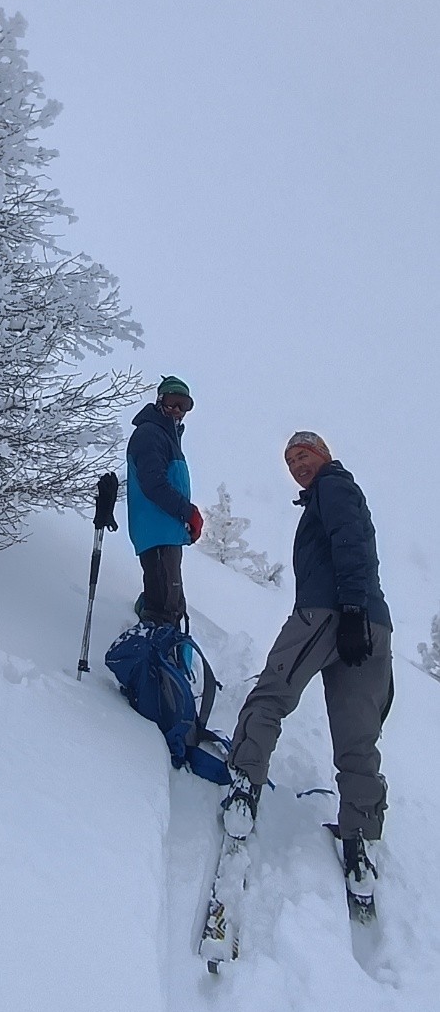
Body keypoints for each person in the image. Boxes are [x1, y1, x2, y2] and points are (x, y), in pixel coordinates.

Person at [221, 431, 393, 902]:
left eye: (304, 454)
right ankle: (359, 843)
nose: (297, 464)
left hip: (329, 613)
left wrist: (351, 609)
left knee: (271, 693)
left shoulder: (334, 485)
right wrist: (362, 614)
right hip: (371, 626)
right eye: (290, 459)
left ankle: (243, 786)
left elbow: (348, 540)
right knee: (358, 737)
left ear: (324, 455)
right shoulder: (338, 490)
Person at [126, 376, 204, 627]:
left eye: (183, 405)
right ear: (160, 401)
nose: (176, 410)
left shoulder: (166, 437)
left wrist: (184, 520)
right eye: (171, 402)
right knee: (165, 608)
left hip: (163, 531)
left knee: (169, 601)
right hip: (156, 531)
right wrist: (187, 512)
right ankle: (158, 660)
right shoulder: (151, 434)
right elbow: (154, 485)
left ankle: (164, 650)